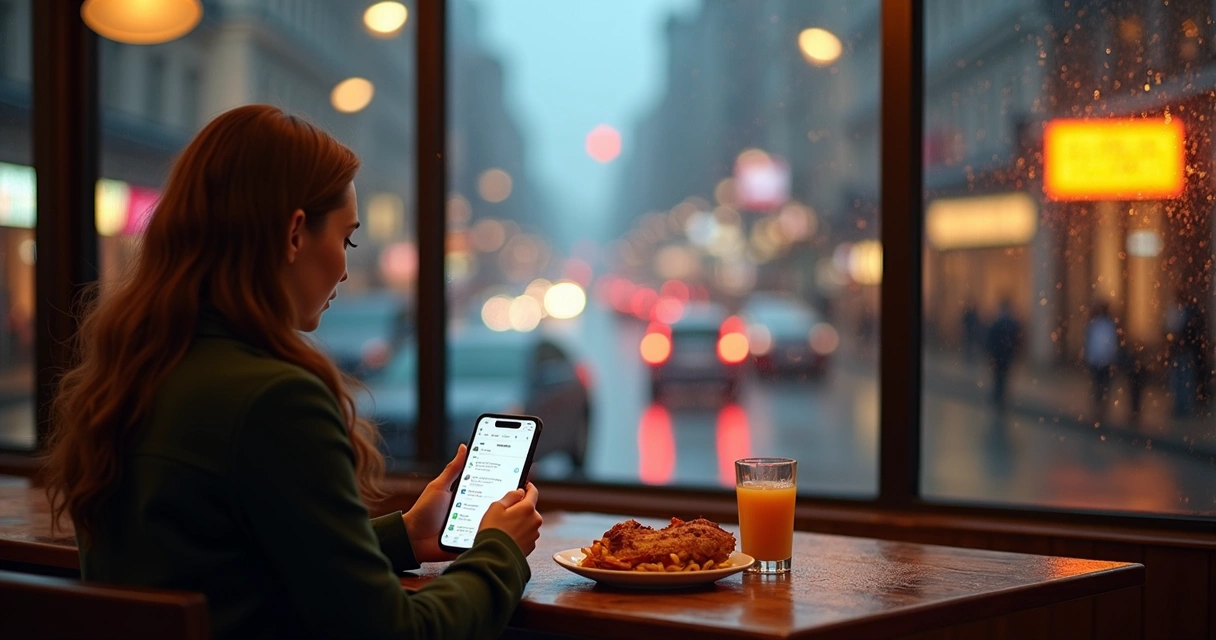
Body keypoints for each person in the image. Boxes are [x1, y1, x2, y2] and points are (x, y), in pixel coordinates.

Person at [40, 105, 542, 639]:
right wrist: (499, 551)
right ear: (295, 234)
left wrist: (402, 537)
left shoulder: (135, 370)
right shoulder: (275, 399)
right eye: (346, 239)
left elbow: (226, 561)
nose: (347, 267)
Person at [1083, 302, 1119, 423]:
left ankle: (1102, 411)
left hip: (1104, 361)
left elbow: (1112, 343)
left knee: (1103, 386)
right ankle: (1097, 411)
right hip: (1097, 360)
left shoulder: (1108, 324)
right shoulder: (1096, 324)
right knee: (1098, 386)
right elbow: (1089, 342)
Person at [984, 299, 1021, 411]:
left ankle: (998, 397)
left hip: (998, 354)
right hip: (1007, 355)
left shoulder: (996, 322)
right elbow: (1017, 340)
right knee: (1004, 377)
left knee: (997, 377)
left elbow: (990, 339)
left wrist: (990, 353)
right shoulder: (1012, 322)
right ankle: (1001, 398)